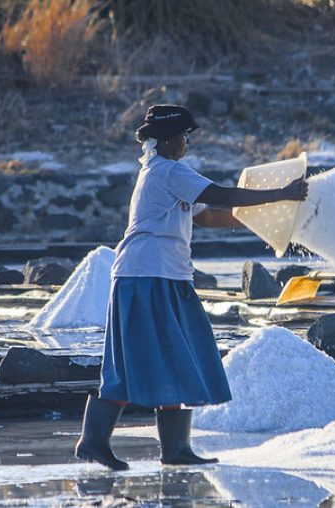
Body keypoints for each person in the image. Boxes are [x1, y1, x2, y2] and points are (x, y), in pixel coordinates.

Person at [75, 104, 308, 470]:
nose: (186, 143)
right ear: (168, 141)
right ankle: (92, 443)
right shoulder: (169, 171)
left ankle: (175, 449)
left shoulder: (164, 175)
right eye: (184, 137)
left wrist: (267, 223)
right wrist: (283, 193)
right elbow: (222, 196)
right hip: (145, 277)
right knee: (130, 363)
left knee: (176, 359)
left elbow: (211, 216)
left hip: (167, 278)